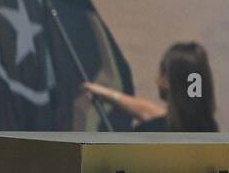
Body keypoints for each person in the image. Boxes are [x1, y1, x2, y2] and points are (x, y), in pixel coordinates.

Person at [82, 42, 219, 132]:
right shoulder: (209, 128)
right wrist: (109, 95)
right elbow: (152, 114)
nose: (156, 78)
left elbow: (158, 121)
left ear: (166, 81)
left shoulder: (148, 133)